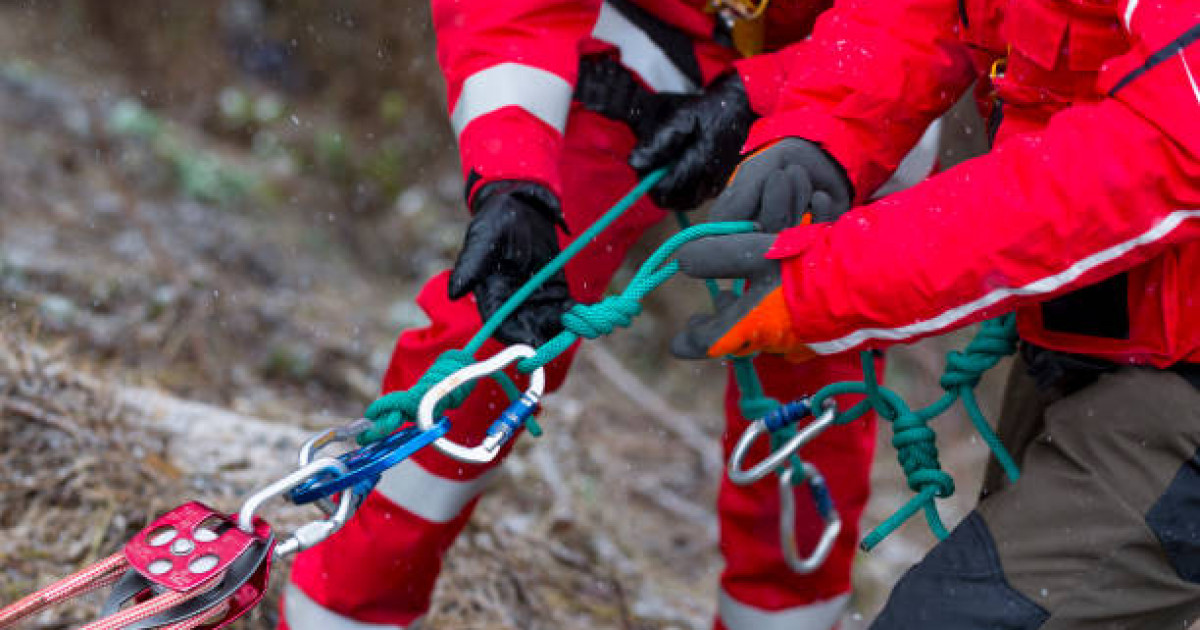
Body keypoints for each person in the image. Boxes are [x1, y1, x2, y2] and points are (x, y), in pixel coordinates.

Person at [276, 1, 944, 628]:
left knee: (812, 394)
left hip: (853, 75)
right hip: (629, 43)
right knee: (490, 335)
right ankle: (341, 609)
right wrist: (511, 177)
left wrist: (769, 93)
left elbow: (926, 17)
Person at [667, 0, 1200, 625]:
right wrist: (824, 133)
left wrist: (830, 285)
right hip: (1108, 323)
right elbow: (932, 13)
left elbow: (1158, 153)